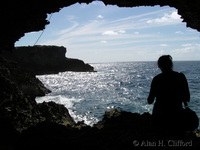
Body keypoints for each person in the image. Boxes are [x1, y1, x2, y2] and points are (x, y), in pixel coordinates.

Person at [147, 55, 190, 132]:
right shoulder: (180, 77)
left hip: (159, 116)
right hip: (176, 116)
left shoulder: (157, 79)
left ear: (159, 65)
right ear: (171, 65)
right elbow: (187, 97)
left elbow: (150, 101)